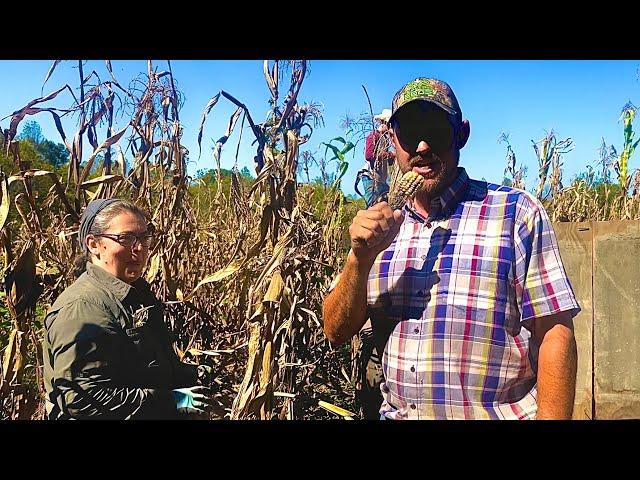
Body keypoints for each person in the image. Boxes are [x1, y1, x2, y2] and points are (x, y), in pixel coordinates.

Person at [323, 77, 580, 420]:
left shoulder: (516, 213)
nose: (423, 145)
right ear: (393, 141)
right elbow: (335, 331)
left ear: (462, 134)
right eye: (410, 132)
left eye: (436, 129)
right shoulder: (379, 228)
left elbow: (555, 334)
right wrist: (360, 258)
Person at [42, 199, 214, 419]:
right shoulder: (84, 307)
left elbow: (141, 367)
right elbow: (83, 398)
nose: (139, 248)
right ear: (94, 245)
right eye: (126, 238)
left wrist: (190, 374)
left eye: (144, 238)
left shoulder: (134, 294)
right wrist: (171, 401)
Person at [355, 109, 396, 207]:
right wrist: (390, 154)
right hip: (370, 176)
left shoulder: (385, 139)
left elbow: (388, 163)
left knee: (387, 203)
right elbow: (369, 156)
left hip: (381, 179)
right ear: (383, 123)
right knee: (372, 206)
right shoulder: (373, 136)